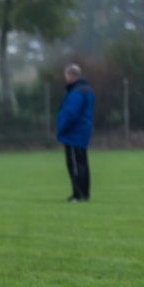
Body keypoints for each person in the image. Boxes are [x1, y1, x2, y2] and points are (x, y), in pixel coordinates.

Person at [57, 63, 94, 202]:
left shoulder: (76, 92)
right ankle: (84, 193)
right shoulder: (87, 90)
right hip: (83, 132)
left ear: (71, 76)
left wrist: (61, 128)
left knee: (74, 164)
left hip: (74, 133)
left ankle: (78, 194)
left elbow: (70, 113)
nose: (65, 78)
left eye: (66, 75)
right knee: (82, 162)